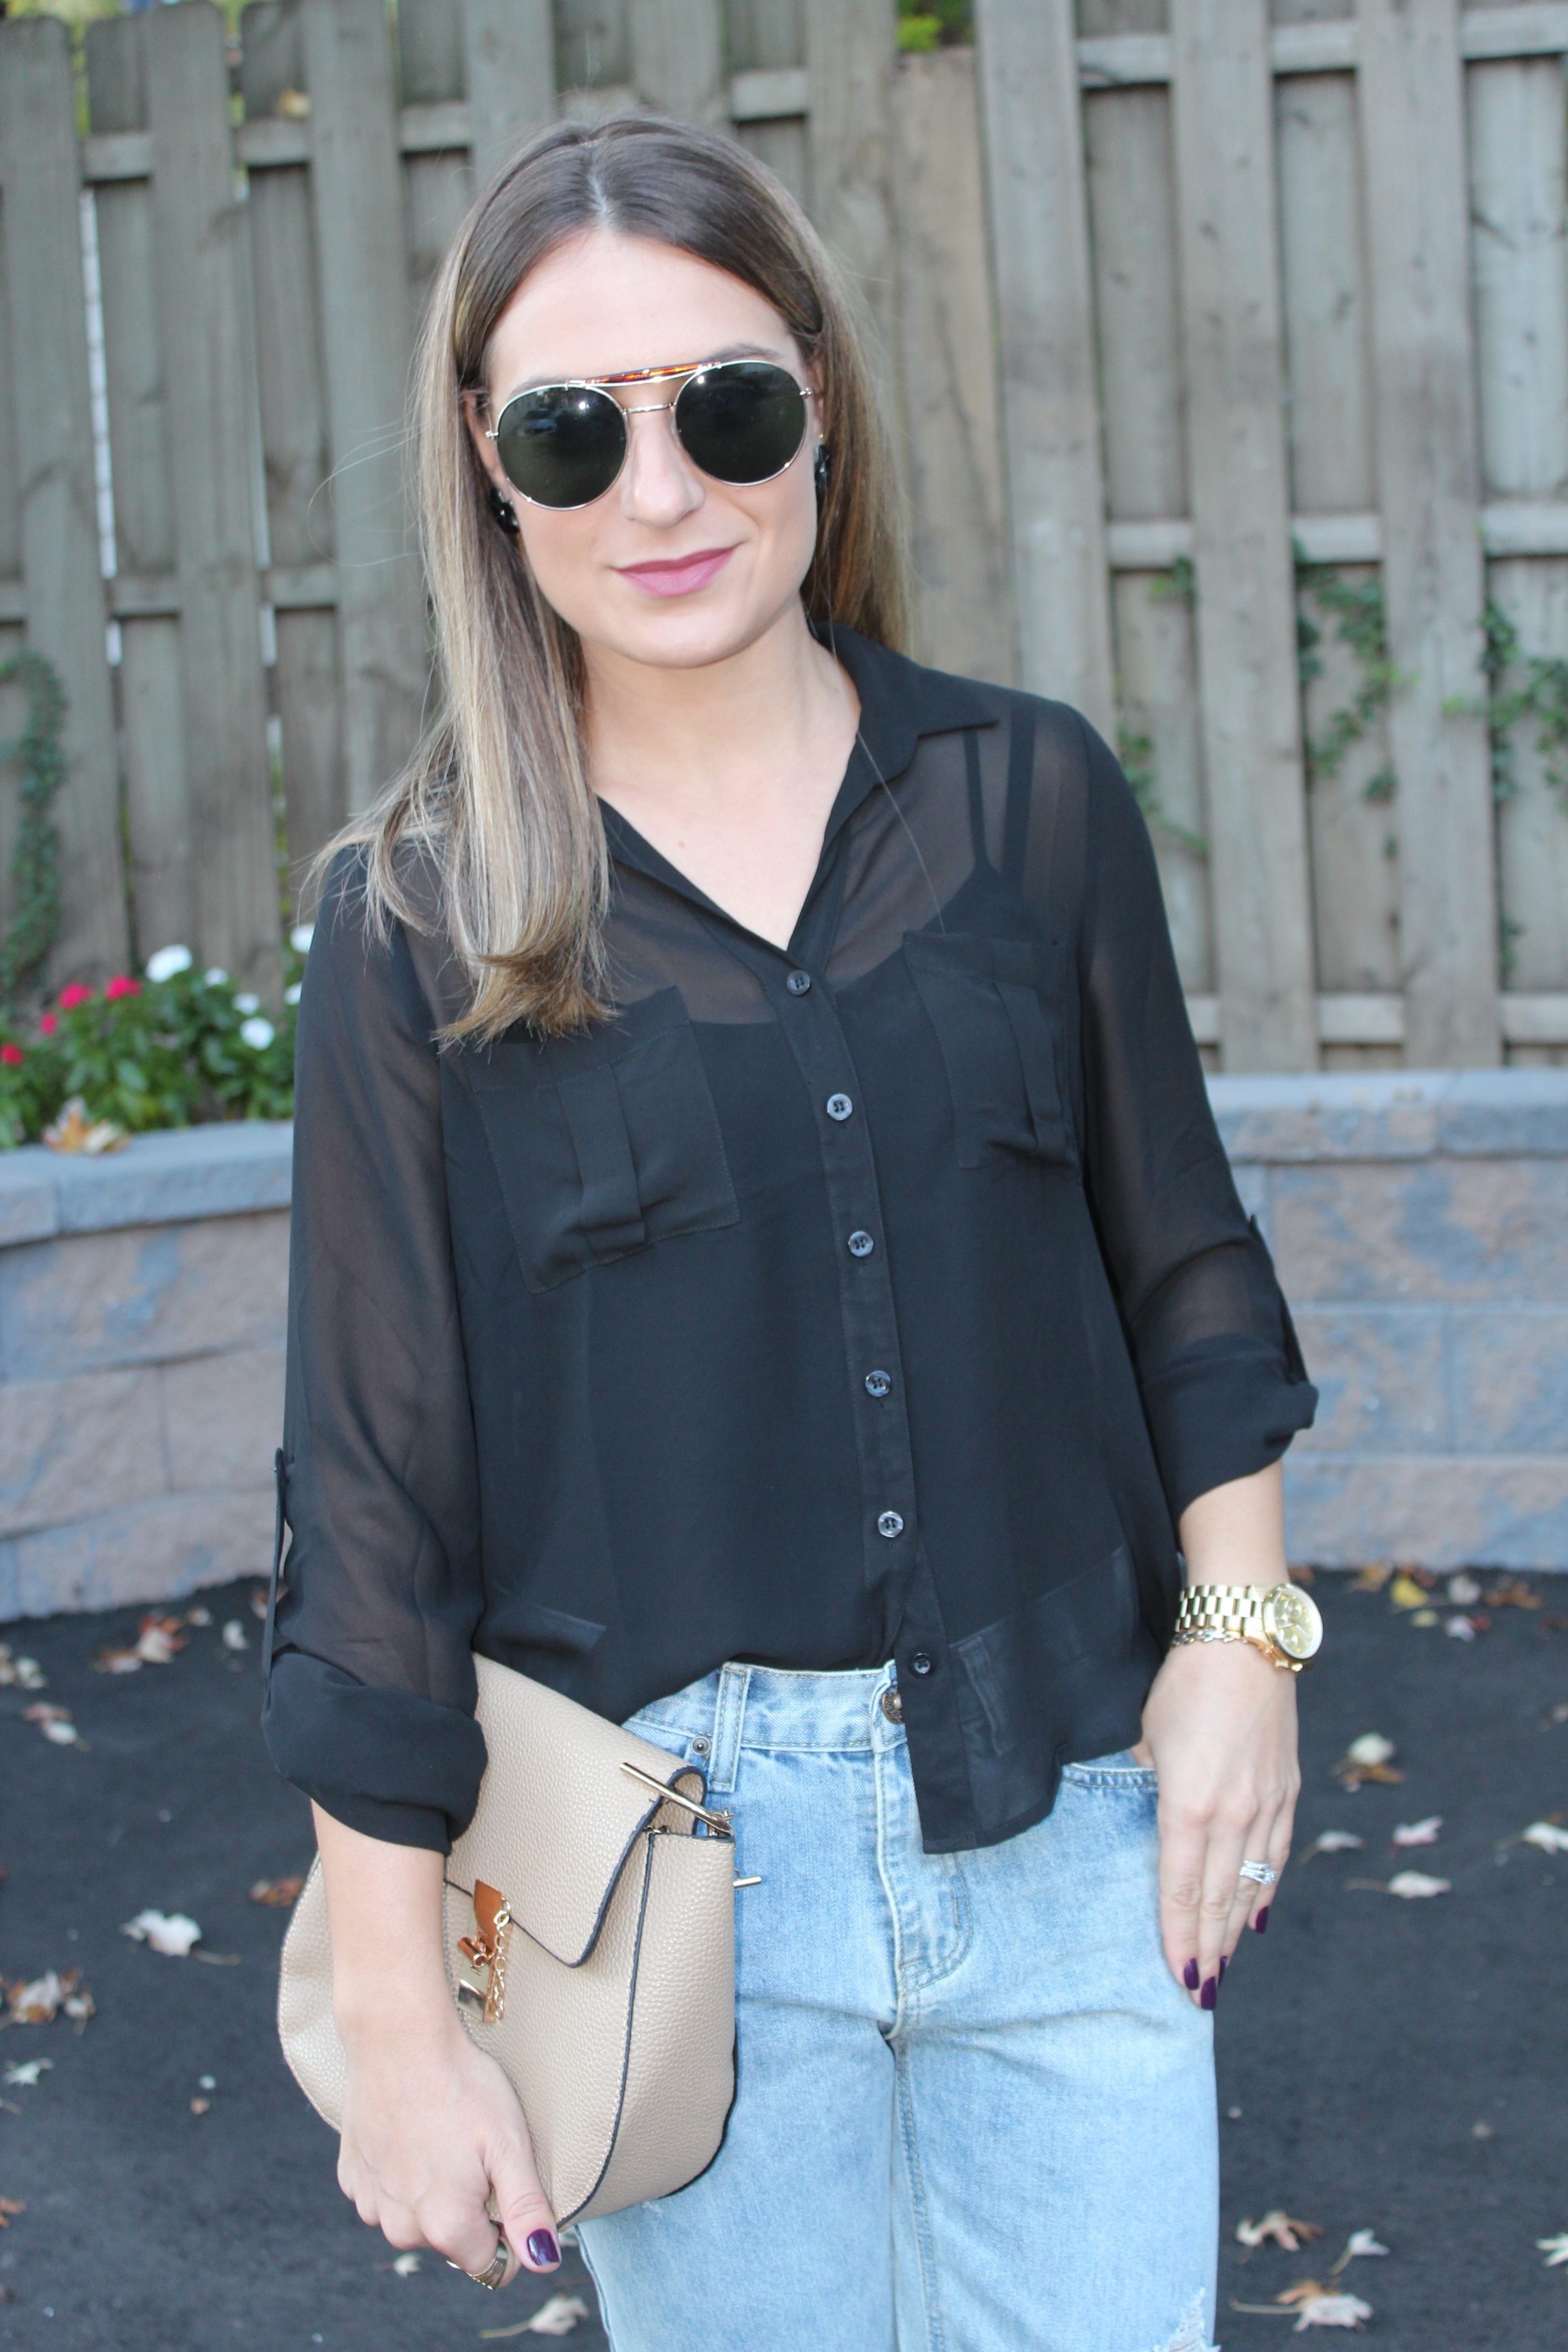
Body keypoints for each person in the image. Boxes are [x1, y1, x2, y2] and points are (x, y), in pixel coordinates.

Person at [262, 114, 1319, 2352]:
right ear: (491, 468)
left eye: (724, 406)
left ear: (819, 399)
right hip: (669, 1896)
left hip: (1075, 1826)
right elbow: (371, 1511)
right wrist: (400, 2027)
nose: (661, 494)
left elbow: (1187, 1269)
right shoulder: (421, 923)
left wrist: (1243, 1642)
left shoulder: (1030, 803)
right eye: (576, 431)